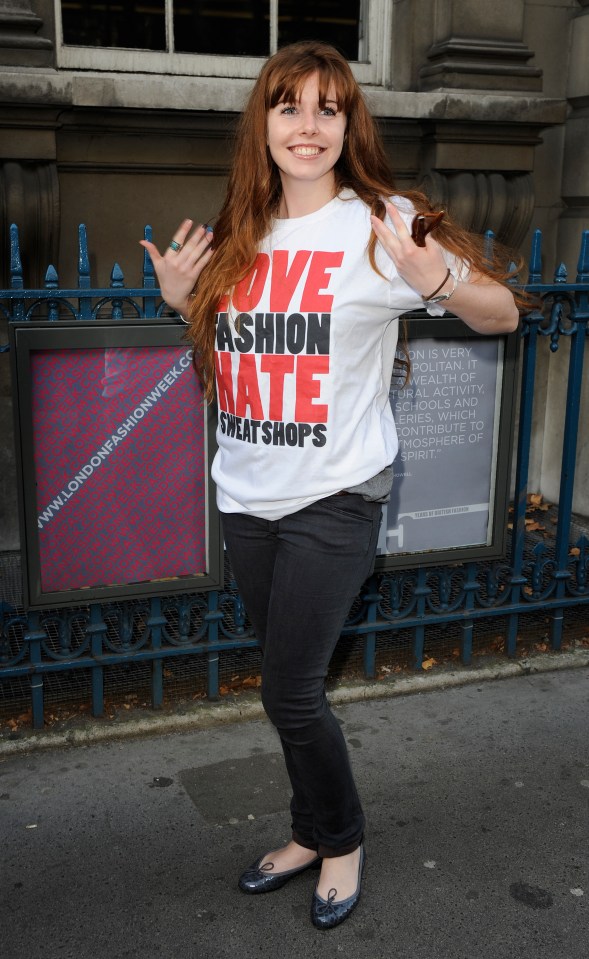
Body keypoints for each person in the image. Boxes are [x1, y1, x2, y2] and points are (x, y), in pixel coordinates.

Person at [140, 40, 520, 930]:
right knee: (286, 682)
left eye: (325, 107)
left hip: (334, 496)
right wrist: (178, 301)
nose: (305, 125)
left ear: (348, 123)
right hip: (246, 491)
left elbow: (501, 311)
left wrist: (434, 279)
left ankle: (339, 839)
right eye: (287, 106)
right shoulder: (243, 225)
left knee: (290, 691)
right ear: (263, 122)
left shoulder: (382, 223)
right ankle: (309, 829)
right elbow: (239, 341)